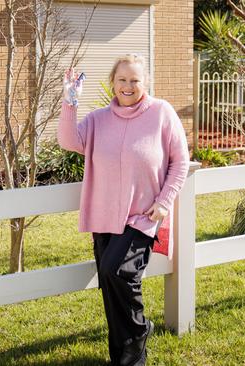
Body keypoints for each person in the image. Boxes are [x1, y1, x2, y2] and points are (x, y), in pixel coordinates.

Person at [57, 54, 190, 366]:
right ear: (112, 83)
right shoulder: (99, 119)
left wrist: (164, 200)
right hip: (104, 216)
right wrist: (70, 100)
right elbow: (68, 140)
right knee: (110, 286)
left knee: (116, 272)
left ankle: (140, 329)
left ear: (145, 83)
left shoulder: (162, 113)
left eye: (135, 80)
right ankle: (126, 358)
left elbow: (180, 161)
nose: (128, 86)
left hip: (143, 216)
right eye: (122, 80)